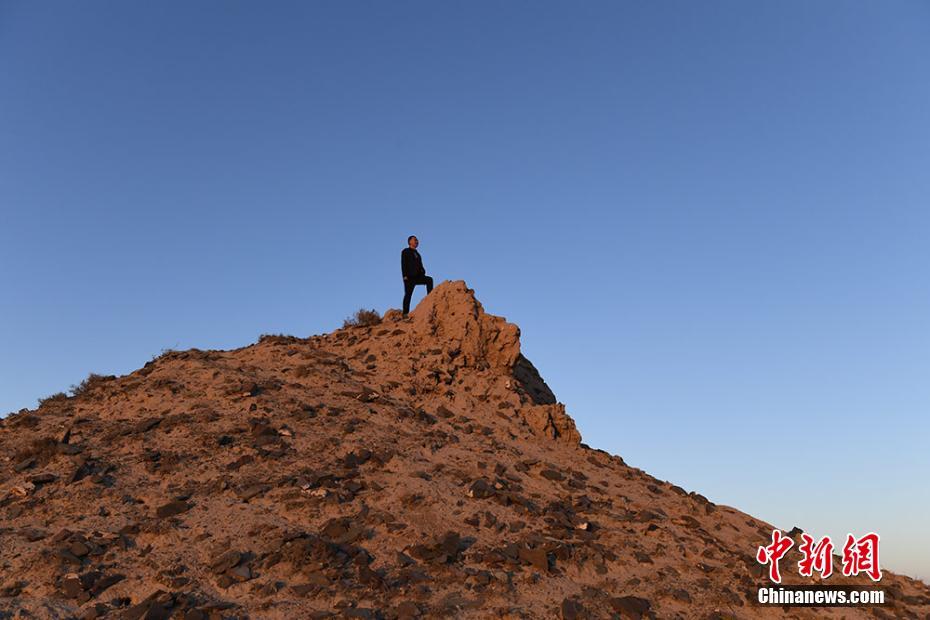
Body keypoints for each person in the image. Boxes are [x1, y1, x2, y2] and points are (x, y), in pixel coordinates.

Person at [401, 235, 433, 317]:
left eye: (417, 240)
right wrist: (405, 275)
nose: (417, 241)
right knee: (408, 294)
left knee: (429, 280)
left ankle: (430, 298)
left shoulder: (417, 254)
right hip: (409, 277)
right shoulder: (405, 251)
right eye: (415, 240)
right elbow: (403, 264)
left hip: (418, 276)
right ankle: (405, 313)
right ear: (410, 242)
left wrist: (423, 271)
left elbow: (420, 265)